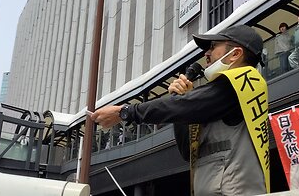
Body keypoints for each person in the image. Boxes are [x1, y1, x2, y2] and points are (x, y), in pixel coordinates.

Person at [91, 25, 269, 195]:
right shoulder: (225, 95)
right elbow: (187, 150)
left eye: (213, 46)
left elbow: (181, 107)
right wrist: (181, 100)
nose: (206, 53)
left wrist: (125, 112)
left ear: (235, 54)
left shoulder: (241, 81)